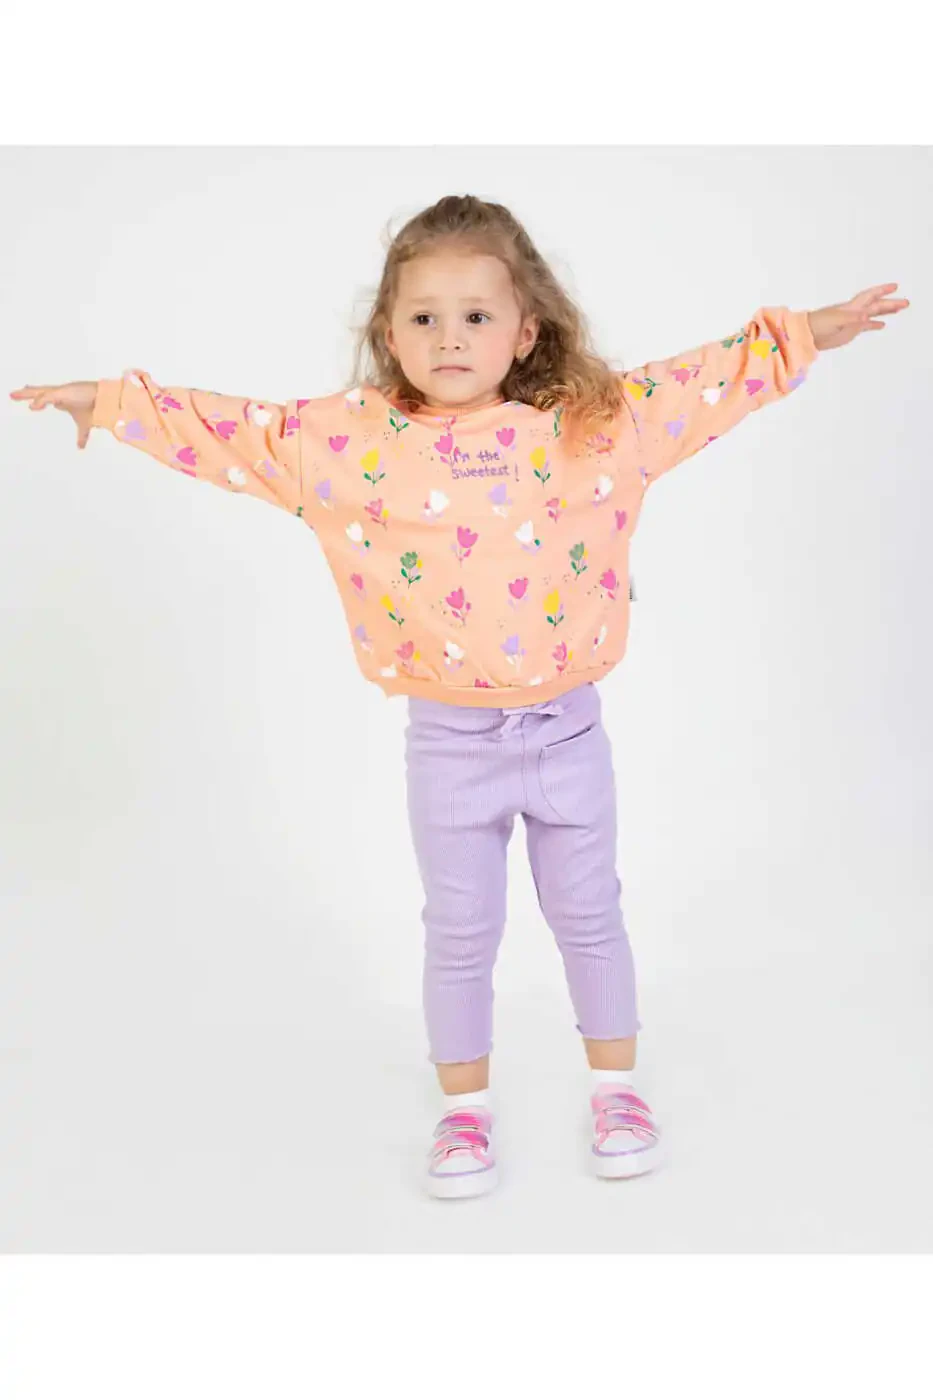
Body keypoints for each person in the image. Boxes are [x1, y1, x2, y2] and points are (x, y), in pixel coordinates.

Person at [11, 194, 908, 1201]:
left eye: (476, 315)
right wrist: (111, 403)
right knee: (459, 930)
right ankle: (464, 1110)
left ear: (525, 330)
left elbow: (702, 384)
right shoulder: (346, 443)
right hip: (448, 745)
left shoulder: (595, 425)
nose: (449, 337)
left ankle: (616, 1090)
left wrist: (804, 334)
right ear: (387, 332)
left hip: (568, 735)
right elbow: (229, 431)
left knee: (590, 914)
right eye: (424, 316)